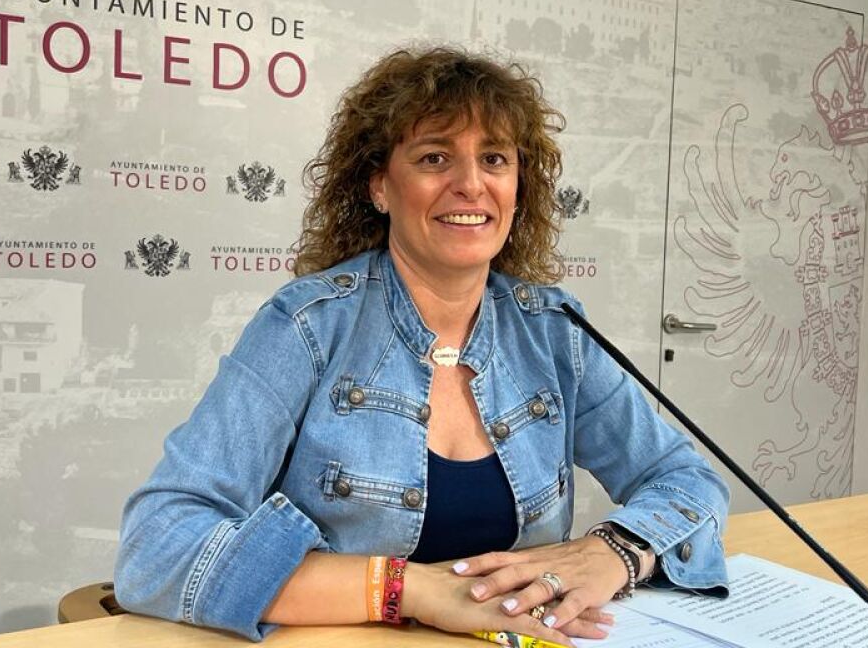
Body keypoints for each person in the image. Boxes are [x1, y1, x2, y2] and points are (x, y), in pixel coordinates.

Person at [114, 47, 730, 645]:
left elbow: (685, 480)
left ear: (519, 186)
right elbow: (157, 546)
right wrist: (408, 589)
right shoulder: (305, 326)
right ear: (380, 186)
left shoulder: (554, 330)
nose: (470, 185)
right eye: (435, 158)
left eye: (494, 159)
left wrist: (618, 551)